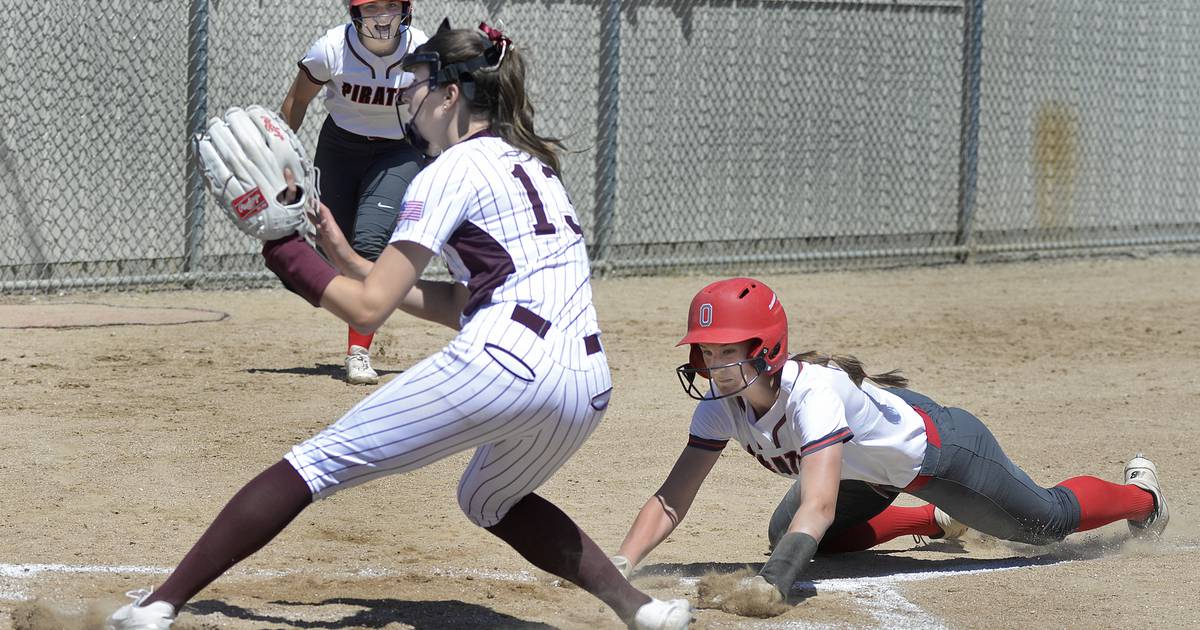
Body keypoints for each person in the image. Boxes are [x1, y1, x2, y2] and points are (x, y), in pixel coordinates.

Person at [105, 23, 691, 630]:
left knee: (316, 463)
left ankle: (157, 605)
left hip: (505, 362)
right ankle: (641, 609)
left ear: (450, 95)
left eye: (414, 82)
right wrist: (347, 257)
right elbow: (468, 298)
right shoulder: (535, 168)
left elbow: (367, 312)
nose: (404, 95)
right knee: (488, 499)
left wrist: (284, 250)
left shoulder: (445, 170)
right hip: (585, 384)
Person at [610, 277, 1168, 604]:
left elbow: (821, 502)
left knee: (1045, 525)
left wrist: (775, 585)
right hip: (867, 471)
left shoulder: (814, 394)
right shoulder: (720, 408)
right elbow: (671, 499)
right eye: (708, 352)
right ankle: (936, 522)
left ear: (767, 349)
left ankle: (1144, 498)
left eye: (730, 350)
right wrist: (623, 561)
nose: (717, 365)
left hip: (938, 453)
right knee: (791, 533)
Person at [280, 0, 429, 384]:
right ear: (354, 13)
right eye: (371, 8)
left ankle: (358, 351)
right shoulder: (331, 47)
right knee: (331, 247)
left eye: (391, 7)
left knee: (369, 240)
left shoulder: (421, 50)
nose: (382, 17)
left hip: (398, 151)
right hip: (340, 147)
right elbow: (297, 101)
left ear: (406, 10)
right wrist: (278, 160)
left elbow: (439, 112)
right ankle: (347, 297)